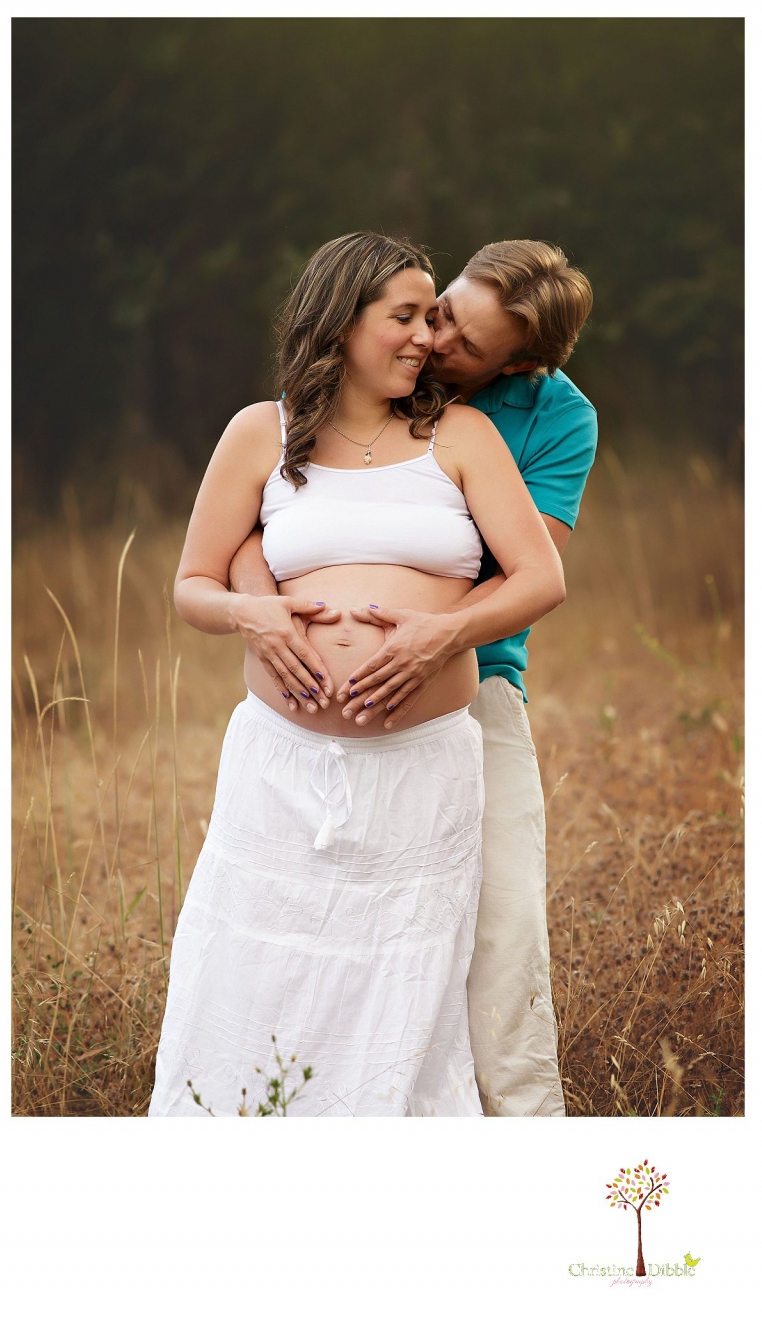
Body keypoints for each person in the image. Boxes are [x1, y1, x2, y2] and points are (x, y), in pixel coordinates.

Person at [148, 232, 565, 1117]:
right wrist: (248, 611)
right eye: (407, 317)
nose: (427, 340)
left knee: (405, 987)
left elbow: (540, 576)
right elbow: (192, 583)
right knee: (263, 967)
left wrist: (438, 637)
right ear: (341, 323)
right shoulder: (259, 432)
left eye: (434, 319)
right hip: (281, 768)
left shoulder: (464, 432)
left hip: (422, 768)